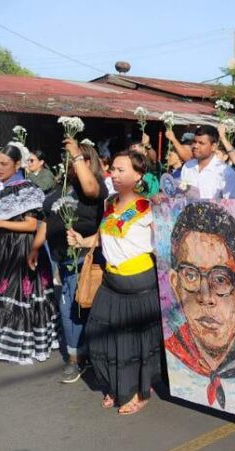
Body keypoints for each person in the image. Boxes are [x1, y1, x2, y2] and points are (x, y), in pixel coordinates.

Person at [67, 150, 163, 415]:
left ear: (138, 175)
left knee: (136, 343)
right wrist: (81, 241)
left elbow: (164, 246)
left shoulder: (149, 207)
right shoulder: (110, 204)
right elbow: (101, 237)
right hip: (111, 281)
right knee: (99, 338)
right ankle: (115, 383)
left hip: (139, 283)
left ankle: (139, 392)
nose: (115, 175)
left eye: (122, 170)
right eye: (114, 170)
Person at [164, 202, 235, 410]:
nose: (206, 297)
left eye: (221, 279)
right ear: (176, 285)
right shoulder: (172, 358)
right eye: (190, 275)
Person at [32, 139, 107, 382]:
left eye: (76, 158)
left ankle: (77, 359)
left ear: (88, 162)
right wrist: (35, 248)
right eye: (69, 158)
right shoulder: (62, 186)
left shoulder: (95, 188)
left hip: (83, 258)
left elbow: (90, 188)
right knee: (70, 308)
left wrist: (76, 153)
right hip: (58, 258)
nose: (70, 161)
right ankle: (81, 353)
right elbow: (47, 219)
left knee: (73, 309)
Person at [0, 144, 57, 364]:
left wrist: (1, 222)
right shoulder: (1, 187)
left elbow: (33, 225)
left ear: (17, 164)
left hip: (20, 248)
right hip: (4, 246)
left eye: (3, 164)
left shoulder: (26, 188)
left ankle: (22, 342)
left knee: (18, 293)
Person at [180, 125, 235, 199]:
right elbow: (181, 195)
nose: (195, 146)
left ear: (213, 146)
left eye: (201, 143)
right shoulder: (187, 167)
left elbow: (231, 205)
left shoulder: (226, 173)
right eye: (194, 142)